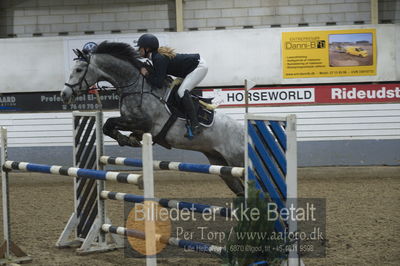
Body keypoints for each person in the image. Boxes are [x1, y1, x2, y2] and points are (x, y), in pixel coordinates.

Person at [136, 33, 208, 136]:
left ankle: (195, 125)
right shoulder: (155, 57)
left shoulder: (158, 58)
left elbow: (158, 83)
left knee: (182, 92)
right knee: (176, 92)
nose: (139, 50)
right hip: (191, 68)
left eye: (140, 48)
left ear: (147, 49)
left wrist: (146, 74)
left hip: (199, 67)